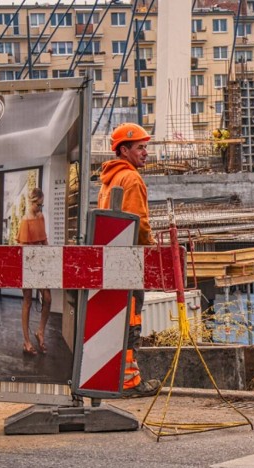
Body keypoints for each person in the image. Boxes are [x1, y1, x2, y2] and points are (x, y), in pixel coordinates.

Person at [98, 122, 161, 398]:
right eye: (140, 147)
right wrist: (150, 247)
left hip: (112, 259)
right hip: (129, 261)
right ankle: (129, 382)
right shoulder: (132, 179)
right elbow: (139, 224)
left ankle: (114, 379)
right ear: (124, 150)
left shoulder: (110, 180)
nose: (145, 152)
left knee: (116, 322)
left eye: (146, 147)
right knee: (131, 321)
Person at [17, 188, 51, 356]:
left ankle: (40, 332)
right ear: (32, 202)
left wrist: (49, 257)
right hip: (28, 265)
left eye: (42, 205)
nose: (41, 208)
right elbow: (22, 248)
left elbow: (44, 240)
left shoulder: (41, 217)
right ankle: (27, 341)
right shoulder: (25, 220)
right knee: (28, 301)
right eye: (39, 205)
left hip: (41, 264)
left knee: (48, 298)